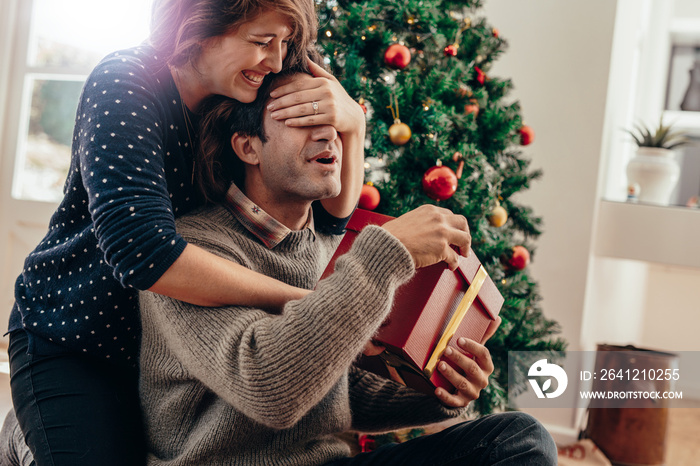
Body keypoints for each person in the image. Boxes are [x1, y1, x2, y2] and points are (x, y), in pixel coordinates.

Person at [137, 59, 559, 465]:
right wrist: (388, 253)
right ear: (249, 147)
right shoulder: (192, 249)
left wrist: (440, 388)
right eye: (304, 121)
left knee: (517, 440)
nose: (329, 137)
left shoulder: (320, 246)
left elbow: (339, 392)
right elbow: (272, 390)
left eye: (335, 123)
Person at [6, 1, 366, 465]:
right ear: (199, 27)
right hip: (75, 340)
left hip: (163, 358)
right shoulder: (127, 82)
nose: (277, 61)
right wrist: (301, 303)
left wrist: (353, 125)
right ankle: (26, 435)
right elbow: (143, 252)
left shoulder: (242, 90)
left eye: (285, 44)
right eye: (261, 42)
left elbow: (333, 213)